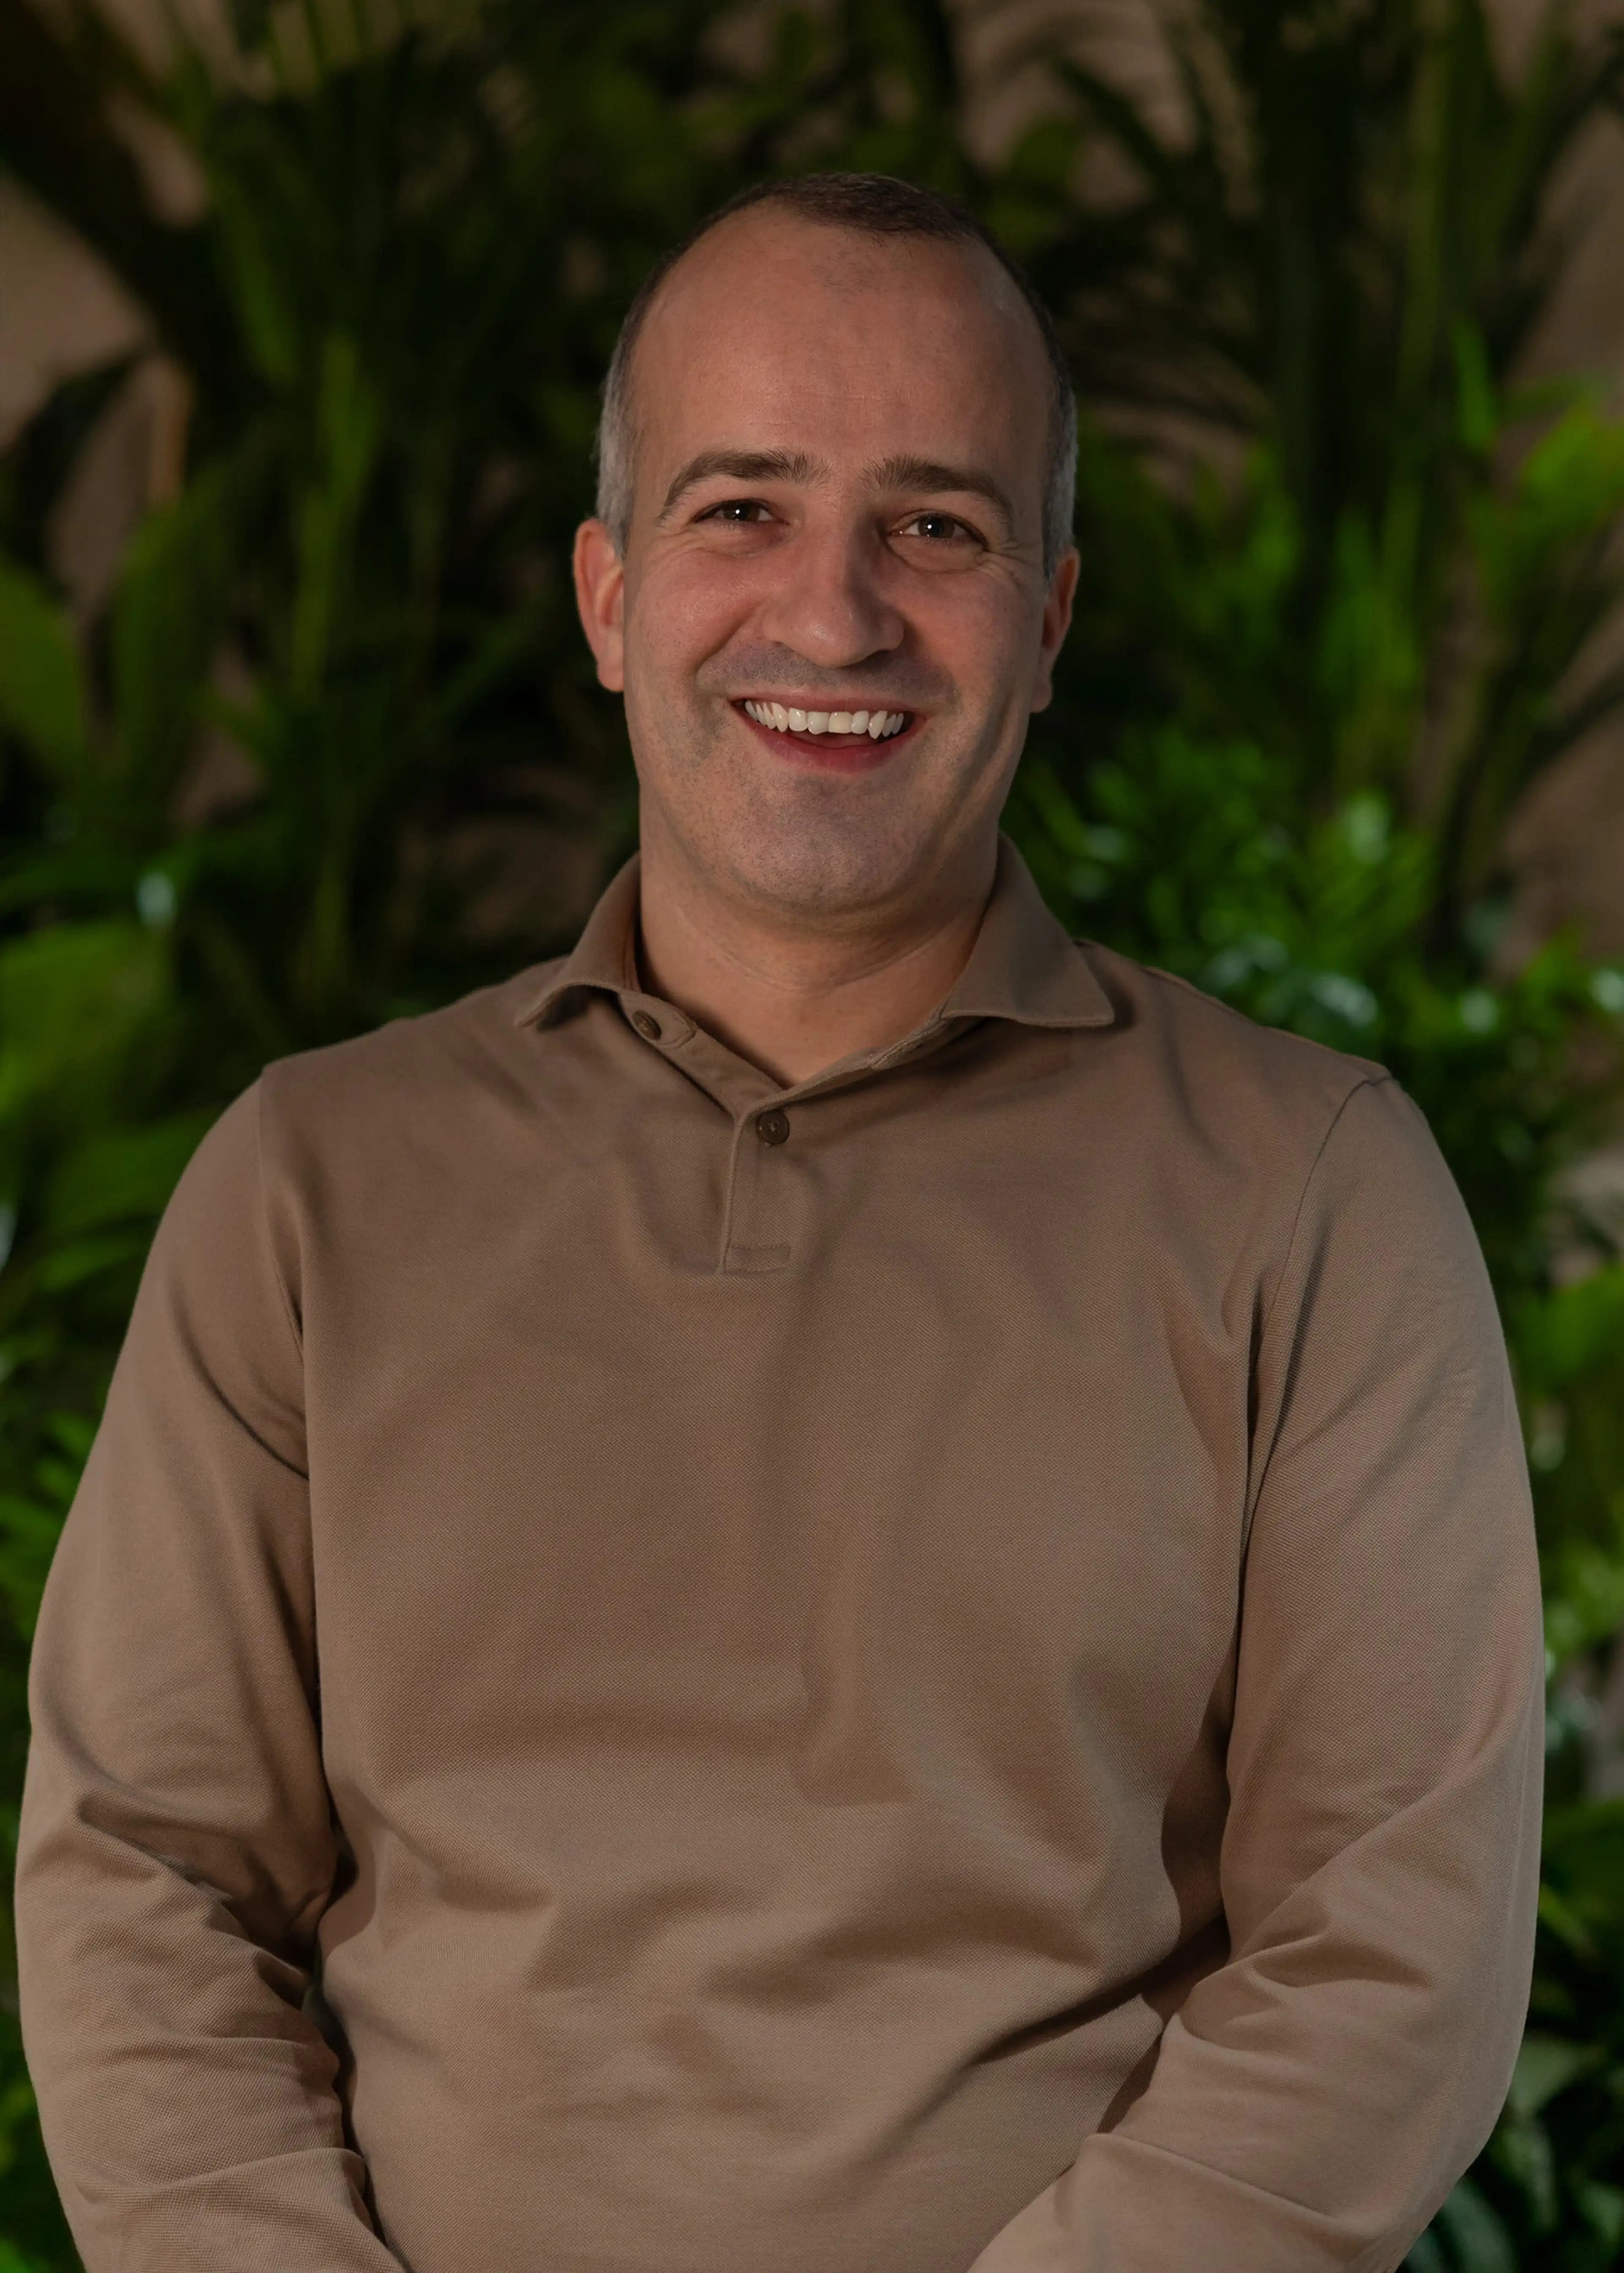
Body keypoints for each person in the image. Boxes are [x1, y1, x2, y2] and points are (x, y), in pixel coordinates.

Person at [16, 173, 1542, 2273]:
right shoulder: (311, 1182)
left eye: (938, 523)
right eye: (742, 508)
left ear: (1052, 614)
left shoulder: (1312, 1190)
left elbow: (1398, 1941)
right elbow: (139, 1876)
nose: (834, 616)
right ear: (608, 593)